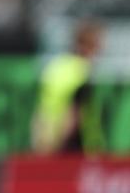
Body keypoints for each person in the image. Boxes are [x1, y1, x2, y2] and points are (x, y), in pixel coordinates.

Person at [31, 21, 104, 155]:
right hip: (71, 144)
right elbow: (74, 114)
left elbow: (42, 107)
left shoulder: (56, 66)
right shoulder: (82, 72)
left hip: (47, 136)